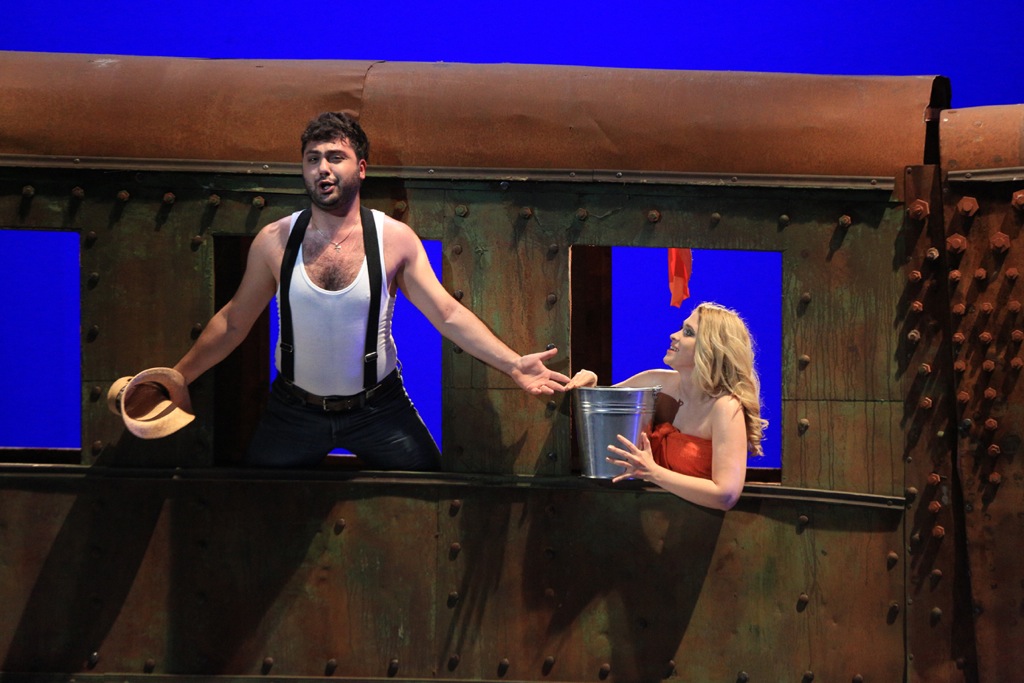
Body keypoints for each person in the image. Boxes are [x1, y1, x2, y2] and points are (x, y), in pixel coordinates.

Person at [163, 111, 569, 470]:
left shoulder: (394, 239)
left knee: (429, 494)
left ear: (360, 168)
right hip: (294, 411)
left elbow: (447, 314)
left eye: (334, 157)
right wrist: (178, 377)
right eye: (312, 159)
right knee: (257, 502)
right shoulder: (274, 240)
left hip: (378, 409)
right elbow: (234, 321)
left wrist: (513, 364)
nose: (322, 169)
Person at [565, 302, 766, 510]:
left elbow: (726, 495)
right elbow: (603, 409)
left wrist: (653, 473)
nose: (674, 335)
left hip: (697, 523)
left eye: (688, 332)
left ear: (711, 349)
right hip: (641, 514)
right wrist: (592, 383)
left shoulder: (725, 407)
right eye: (681, 328)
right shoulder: (654, 382)